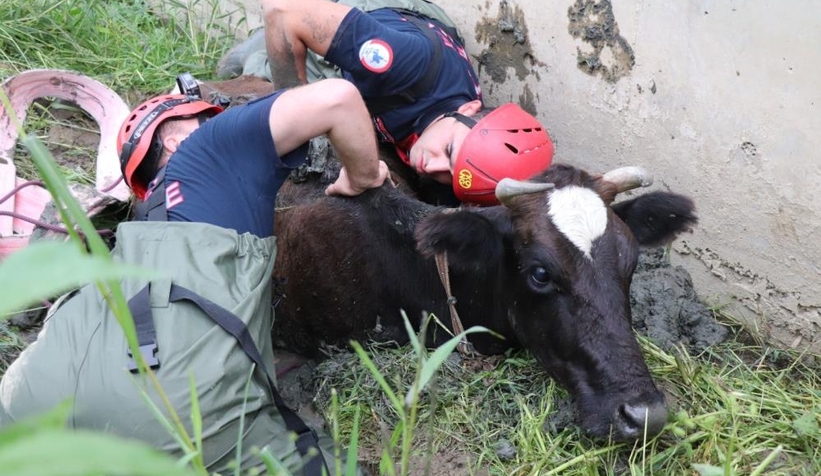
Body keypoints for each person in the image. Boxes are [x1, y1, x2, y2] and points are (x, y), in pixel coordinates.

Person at [0, 78, 388, 475]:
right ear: (172, 141)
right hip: (169, 407)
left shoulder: (136, 230)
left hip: (32, 395)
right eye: (206, 116)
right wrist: (363, 177)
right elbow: (337, 98)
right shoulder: (210, 147)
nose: (218, 118)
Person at [223, 0, 555, 206]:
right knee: (243, 75)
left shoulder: (466, 137)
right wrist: (296, 115)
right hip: (382, 20)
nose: (434, 167)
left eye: (452, 178)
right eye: (450, 152)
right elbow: (282, 9)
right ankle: (256, 53)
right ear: (468, 110)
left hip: (416, 41)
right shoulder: (400, 66)